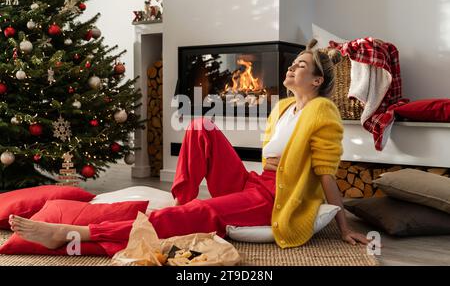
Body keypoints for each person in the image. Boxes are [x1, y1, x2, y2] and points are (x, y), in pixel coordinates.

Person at [9, 39, 369, 255]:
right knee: (200, 125)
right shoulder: (285, 107)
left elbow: (326, 174)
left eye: (301, 65)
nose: (291, 68)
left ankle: (72, 234)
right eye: (292, 63)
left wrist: (343, 225)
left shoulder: (324, 111)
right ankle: (183, 200)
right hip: (254, 182)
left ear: (317, 80)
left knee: (196, 216)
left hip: (274, 198)